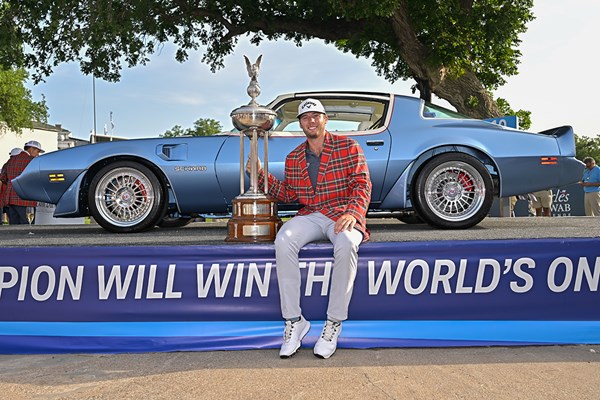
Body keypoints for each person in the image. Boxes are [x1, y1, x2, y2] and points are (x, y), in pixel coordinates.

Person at [250, 98, 372, 359]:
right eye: (306, 118)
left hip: (342, 213)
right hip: (311, 214)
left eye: (316, 116)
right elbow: (289, 194)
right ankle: (294, 321)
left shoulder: (348, 146)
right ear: (301, 123)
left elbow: (362, 184)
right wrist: (260, 174)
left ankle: (333, 324)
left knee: (348, 243)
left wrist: (353, 212)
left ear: (325, 119)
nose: (312, 121)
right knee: (284, 240)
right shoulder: (293, 157)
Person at [0, 141, 44, 224]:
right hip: (27, 199)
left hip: (11, 199)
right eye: (37, 151)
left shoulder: (10, 161)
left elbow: (3, 178)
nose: (38, 154)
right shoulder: (33, 161)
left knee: (14, 227)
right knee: (27, 225)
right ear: (31, 149)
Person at [1, 148, 24, 224]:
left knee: (13, 222)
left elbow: (3, 178)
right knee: (25, 221)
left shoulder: (7, 164)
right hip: (23, 198)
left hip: (9, 197)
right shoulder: (25, 162)